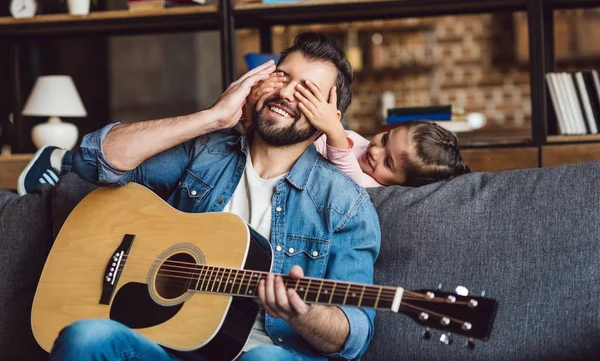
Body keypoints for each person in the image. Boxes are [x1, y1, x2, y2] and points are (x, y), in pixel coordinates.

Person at [35, 32, 381, 361]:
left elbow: (353, 337)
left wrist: (303, 313)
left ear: (328, 117)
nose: (287, 93)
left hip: (272, 352)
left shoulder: (345, 205)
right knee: (86, 338)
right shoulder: (204, 153)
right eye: (281, 77)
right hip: (168, 346)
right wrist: (211, 117)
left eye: (306, 91)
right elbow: (93, 160)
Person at [244, 73, 471, 188]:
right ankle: (249, 110)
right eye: (385, 139)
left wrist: (334, 128)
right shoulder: (365, 149)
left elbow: (344, 165)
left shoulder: (371, 186)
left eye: (388, 162)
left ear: (400, 185)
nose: (375, 151)